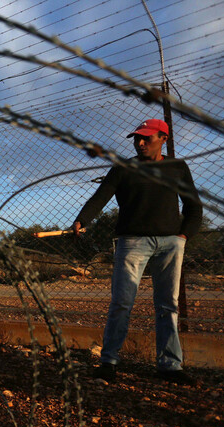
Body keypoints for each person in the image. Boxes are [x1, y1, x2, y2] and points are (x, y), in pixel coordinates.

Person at [72, 118, 202, 384]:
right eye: (136, 138)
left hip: (170, 243)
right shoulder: (124, 168)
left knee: (168, 305)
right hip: (132, 242)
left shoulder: (177, 167)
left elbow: (193, 205)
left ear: (163, 138)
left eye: (147, 138)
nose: (140, 143)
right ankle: (108, 361)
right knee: (121, 303)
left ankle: (169, 366)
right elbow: (101, 196)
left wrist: (183, 235)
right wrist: (82, 219)